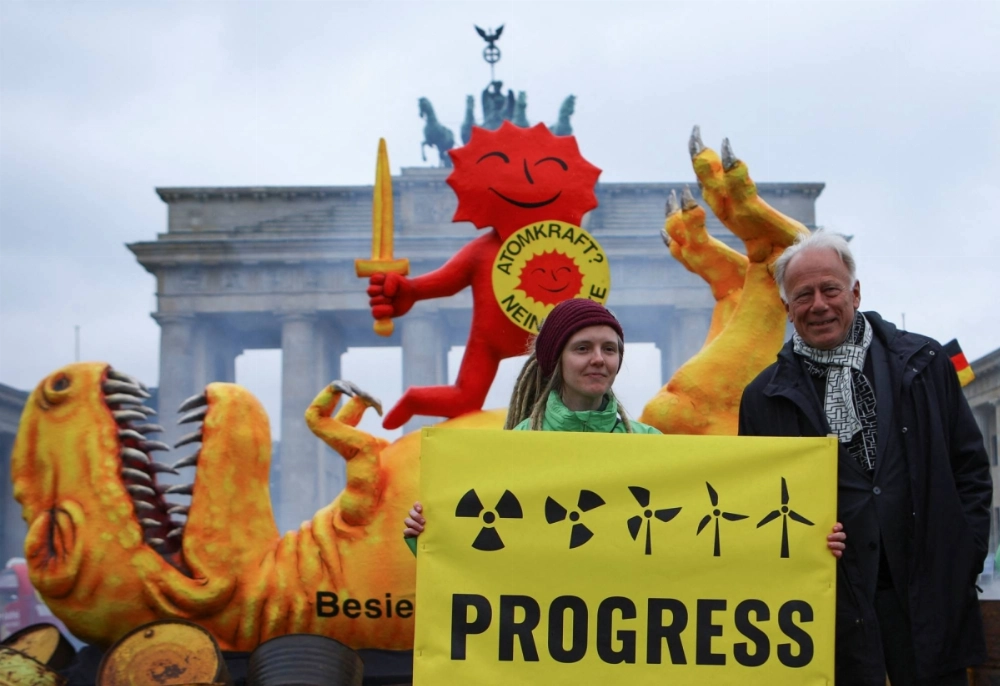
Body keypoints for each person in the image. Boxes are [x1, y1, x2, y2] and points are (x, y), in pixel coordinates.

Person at [738, 230, 991, 686]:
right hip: (832, 607)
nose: (818, 304)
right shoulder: (762, 397)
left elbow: (969, 470)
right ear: (786, 309)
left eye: (830, 289)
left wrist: (963, 557)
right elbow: (756, 507)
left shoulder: (925, 362)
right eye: (803, 295)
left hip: (929, 597)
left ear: (855, 291)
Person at [406, 298, 846, 557]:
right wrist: (424, 533)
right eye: (583, 348)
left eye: (609, 349)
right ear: (554, 359)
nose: (599, 358)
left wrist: (805, 537)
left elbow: (702, 528)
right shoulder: (515, 447)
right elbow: (474, 547)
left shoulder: (649, 444)